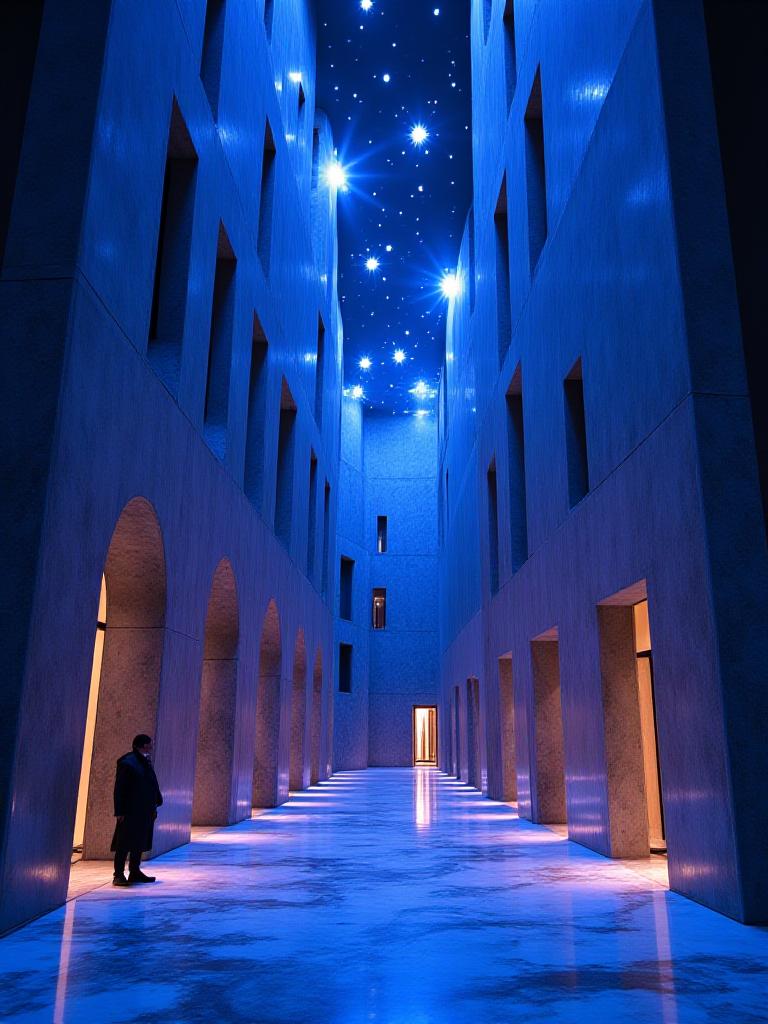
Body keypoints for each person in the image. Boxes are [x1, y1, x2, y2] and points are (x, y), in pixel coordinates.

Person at [111, 734, 163, 886]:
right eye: (149, 744)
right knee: (124, 843)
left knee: (139, 841)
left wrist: (156, 802)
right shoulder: (128, 762)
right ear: (143, 745)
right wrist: (119, 811)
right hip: (130, 811)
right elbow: (119, 789)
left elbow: (151, 783)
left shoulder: (143, 761)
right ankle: (118, 874)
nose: (152, 747)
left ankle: (134, 871)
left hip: (144, 809)